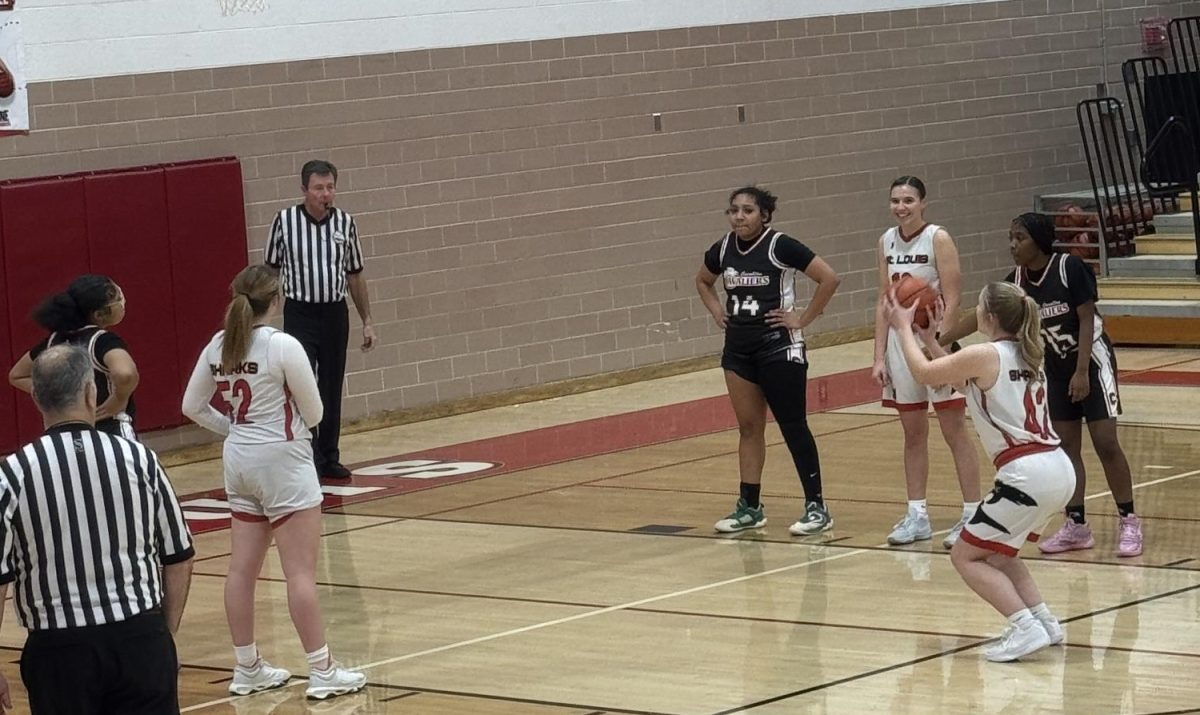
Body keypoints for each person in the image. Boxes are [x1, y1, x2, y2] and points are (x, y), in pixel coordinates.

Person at [182, 265, 366, 701]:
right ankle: (322, 669)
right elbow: (317, 411)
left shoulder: (217, 345)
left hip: (239, 460)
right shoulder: (282, 345)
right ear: (277, 299)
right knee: (299, 572)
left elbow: (191, 405)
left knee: (241, 570)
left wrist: (233, 428)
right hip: (282, 460)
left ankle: (247, 667)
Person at [885, 281, 1072, 662]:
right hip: (1057, 468)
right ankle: (1045, 621)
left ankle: (1024, 627)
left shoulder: (985, 353)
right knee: (1002, 555)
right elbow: (954, 378)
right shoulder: (1027, 351)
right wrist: (929, 337)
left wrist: (903, 328)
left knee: (965, 557)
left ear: (988, 317)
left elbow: (923, 374)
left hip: (1027, 474)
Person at [0, 345, 194, 712]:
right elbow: (179, 555)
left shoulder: (13, 472)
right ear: (92, 393)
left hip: (59, 651)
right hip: (141, 638)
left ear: (37, 399)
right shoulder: (141, 458)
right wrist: (163, 638)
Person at [940, 213, 1143, 556]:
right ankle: (1077, 526)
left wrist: (1081, 372)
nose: (1013, 245)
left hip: (1090, 362)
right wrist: (940, 336)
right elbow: (980, 315)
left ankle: (1129, 519)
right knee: (1066, 447)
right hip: (1053, 369)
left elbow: (1086, 318)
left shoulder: (1069, 269)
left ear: (1039, 240)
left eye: (1019, 238)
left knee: (1106, 442)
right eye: (1011, 237)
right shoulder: (1016, 281)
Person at [696, 186, 842, 535]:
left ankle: (817, 507)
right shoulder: (724, 248)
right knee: (749, 428)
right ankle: (750, 506)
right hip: (738, 350)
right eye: (734, 211)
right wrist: (718, 311)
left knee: (793, 425)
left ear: (764, 215)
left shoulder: (781, 245)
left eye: (747, 210)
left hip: (779, 347)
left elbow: (829, 277)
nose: (739, 217)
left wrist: (802, 318)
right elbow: (702, 281)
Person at [872, 176, 981, 548]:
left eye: (908, 200)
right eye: (895, 201)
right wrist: (878, 355)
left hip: (933, 343)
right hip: (901, 348)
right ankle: (917, 514)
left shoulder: (938, 238)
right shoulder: (886, 240)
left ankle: (971, 513)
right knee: (913, 434)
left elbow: (954, 299)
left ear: (923, 203)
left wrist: (941, 348)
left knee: (955, 432)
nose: (901, 207)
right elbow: (884, 301)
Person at [266, 159, 376, 480]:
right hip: (300, 313)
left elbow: (356, 276)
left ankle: (330, 455)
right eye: (318, 188)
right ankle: (308, 454)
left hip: (334, 313)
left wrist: (367, 319)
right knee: (302, 385)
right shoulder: (284, 222)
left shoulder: (346, 223)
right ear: (304, 190)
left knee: (331, 385)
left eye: (330, 187)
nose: (325, 194)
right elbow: (270, 272)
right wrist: (264, 318)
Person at [8, 274, 139, 439]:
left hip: (66, 436)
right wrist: (119, 398)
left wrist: (57, 392)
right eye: (118, 298)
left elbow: (17, 375)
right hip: (110, 431)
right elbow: (125, 374)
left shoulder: (53, 340)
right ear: (98, 314)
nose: (123, 302)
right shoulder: (102, 341)